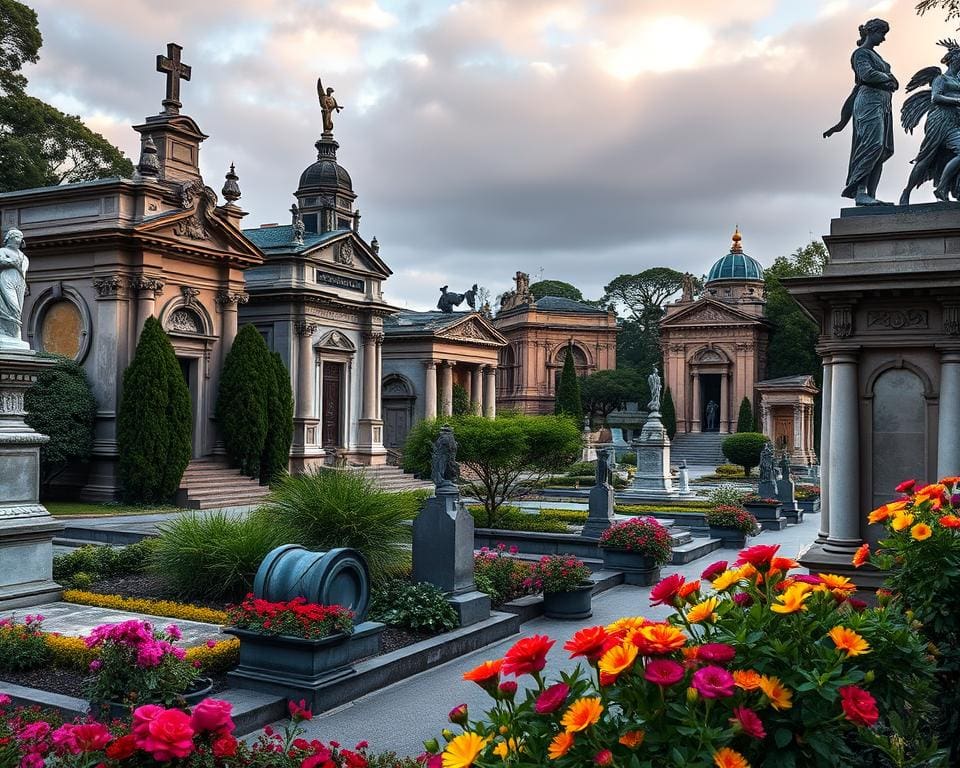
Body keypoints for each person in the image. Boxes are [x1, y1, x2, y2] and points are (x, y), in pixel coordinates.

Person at [824, 19, 898, 206]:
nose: (883, 39)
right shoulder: (861, 54)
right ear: (871, 32)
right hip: (869, 103)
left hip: (883, 105)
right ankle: (860, 192)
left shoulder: (876, 56)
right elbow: (867, 75)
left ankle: (871, 195)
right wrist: (888, 78)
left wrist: (841, 123)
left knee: (881, 150)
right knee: (872, 145)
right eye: (881, 34)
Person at [900, 41, 960, 204]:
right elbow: (936, 97)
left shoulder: (958, 79)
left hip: (954, 122)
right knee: (926, 158)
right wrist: (957, 100)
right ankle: (907, 191)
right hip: (939, 120)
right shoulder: (941, 78)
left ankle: (942, 188)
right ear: (954, 59)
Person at [0, 228, 28, 343]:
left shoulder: (23, 256)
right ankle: (6, 333)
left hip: (19, 282)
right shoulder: (2, 250)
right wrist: (11, 262)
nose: (19, 239)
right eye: (16, 236)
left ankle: (15, 336)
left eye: (20, 237)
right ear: (9, 238)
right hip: (7, 278)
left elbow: (23, 271)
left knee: (18, 310)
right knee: (12, 307)